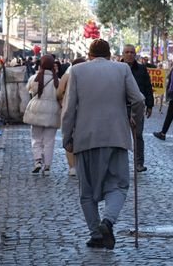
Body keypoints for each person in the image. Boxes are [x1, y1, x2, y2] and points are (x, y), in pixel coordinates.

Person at [61, 39, 145, 250]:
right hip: (116, 137)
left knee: (86, 191)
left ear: (89, 55)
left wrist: (66, 138)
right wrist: (134, 119)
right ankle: (108, 221)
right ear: (109, 55)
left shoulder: (78, 71)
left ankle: (95, 234)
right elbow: (139, 100)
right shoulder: (122, 69)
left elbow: (69, 108)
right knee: (118, 184)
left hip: (85, 137)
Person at [23, 55, 61, 175]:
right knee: (49, 140)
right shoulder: (57, 81)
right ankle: (48, 166)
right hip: (53, 111)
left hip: (36, 109)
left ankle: (38, 161)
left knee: (36, 138)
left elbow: (28, 90)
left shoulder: (34, 78)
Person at [121, 45, 154, 172]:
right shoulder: (117, 69)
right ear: (123, 54)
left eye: (132, 52)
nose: (129, 54)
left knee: (138, 136)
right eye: (127, 52)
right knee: (121, 136)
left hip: (137, 108)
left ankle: (139, 163)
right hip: (121, 107)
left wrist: (150, 105)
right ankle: (121, 163)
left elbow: (148, 87)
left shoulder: (141, 69)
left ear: (135, 54)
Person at [57, 57, 86, 176]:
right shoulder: (89, 76)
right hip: (85, 110)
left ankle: (72, 166)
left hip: (69, 108)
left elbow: (59, 92)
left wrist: (61, 103)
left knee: (69, 136)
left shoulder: (67, 75)